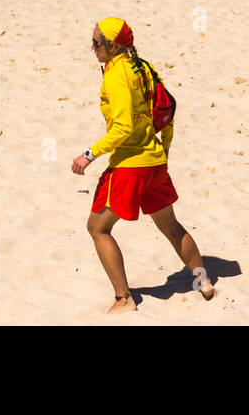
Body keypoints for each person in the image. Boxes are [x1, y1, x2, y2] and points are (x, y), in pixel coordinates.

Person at [72, 18, 215, 314]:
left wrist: (89, 154)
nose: (92, 47)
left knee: (98, 228)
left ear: (112, 46)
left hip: (130, 166)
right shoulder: (143, 66)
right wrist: (165, 148)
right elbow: (169, 108)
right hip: (154, 161)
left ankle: (124, 299)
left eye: (97, 43)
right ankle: (203, 280)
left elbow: (122, 127)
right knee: (171, 226)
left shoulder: (116, 76)